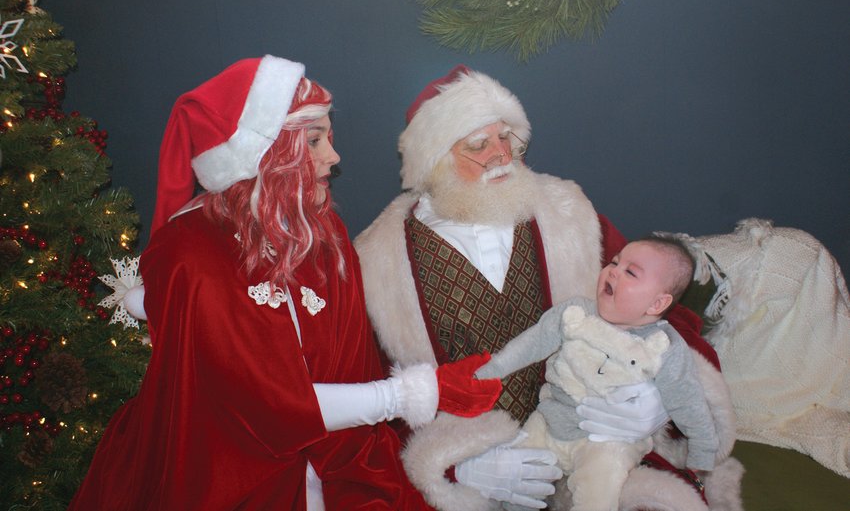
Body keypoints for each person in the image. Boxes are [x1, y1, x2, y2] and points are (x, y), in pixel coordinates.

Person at [68, 56, 501, 510]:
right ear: (264, 153)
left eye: (328, 139)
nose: (333, 157)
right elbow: (260, 408)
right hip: (224, 477)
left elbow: (353, 368)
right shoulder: (192, 255)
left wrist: (444, 455)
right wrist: (416, 392)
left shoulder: (323, 232)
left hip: (327, 464)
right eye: (313, 141)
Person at [354, 66, 743, 511]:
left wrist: (657, 402)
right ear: (435, 159)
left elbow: (661, 311)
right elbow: (367, 388)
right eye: (479, 145)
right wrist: (451, 466)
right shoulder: (376, 262)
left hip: (584, 435)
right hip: (471, 460)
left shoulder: (569, 214)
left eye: (507, 137)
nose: (502, 155)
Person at [476, 236, 720, 510]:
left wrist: (703, 452)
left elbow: (688, 400)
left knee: (599, 491)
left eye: (630, 272)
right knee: (517, 479)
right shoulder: (576, 312)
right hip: (550, 421)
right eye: (615, 262)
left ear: (656, 304)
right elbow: (532, 342)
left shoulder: (664, 347)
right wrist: (492, 370)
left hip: (609, 441)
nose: (613, 270)